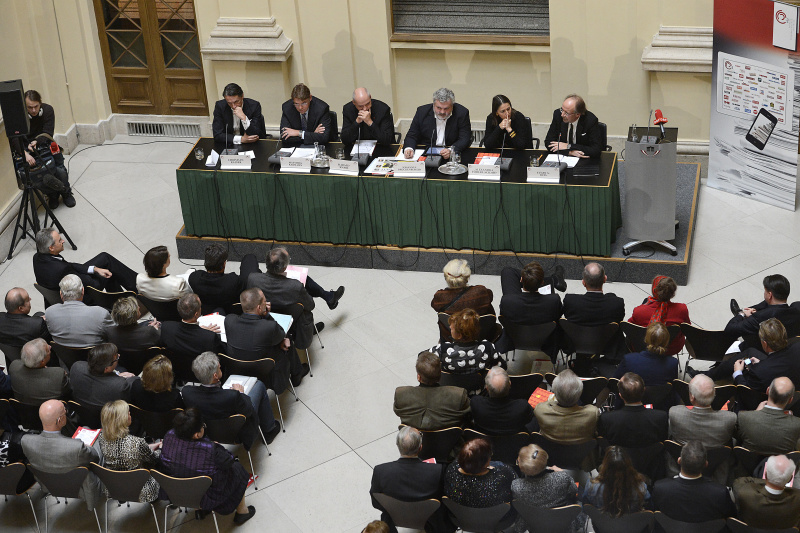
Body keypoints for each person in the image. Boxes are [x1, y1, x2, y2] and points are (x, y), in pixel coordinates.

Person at [158, 408, 256, 524]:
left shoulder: (168, 436)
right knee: (237, 468)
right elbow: (229, 460)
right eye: (203, 426)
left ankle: (199, 511)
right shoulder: (210, 449)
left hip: (176, 493)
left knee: (188, 472)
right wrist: (215, 446)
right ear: (196, 435)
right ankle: (242, 512)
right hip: (206, 496)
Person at [246, 246, 344, 350]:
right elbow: (311, 305)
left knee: (304, 280)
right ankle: (328, 299)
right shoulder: (295, 287)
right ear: (284, 268)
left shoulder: (252, 279)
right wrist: (304, 292)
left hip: (265, 320)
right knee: (304, 290)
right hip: (293, 322)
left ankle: (329, 297)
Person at [180, 352, 281, 447]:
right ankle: (269, 430)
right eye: (219, 367)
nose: (220, 366)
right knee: (259, 385)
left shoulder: (187, 392)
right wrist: (241, 393)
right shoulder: (232, 396)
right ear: (215, 376)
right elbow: (249, 410)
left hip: (210, 433)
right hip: (238, 433)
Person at [21, 400, 104, 510]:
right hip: (79, 487)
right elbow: (95, 457)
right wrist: (88, 447)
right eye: (65, 412)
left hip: (51, 486)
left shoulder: (26, 441)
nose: (67, 413)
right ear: (60, 420)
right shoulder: (76, 447)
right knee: (99, 443)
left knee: (86, 428)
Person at [370, 426, 453, 533]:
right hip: (429, 517)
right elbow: (444, 498)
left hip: (396, 516)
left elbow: (376, 502)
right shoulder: (437, 471)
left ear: (398, 446)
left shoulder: (380, 471)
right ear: (420, 447)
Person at [224, 287, 308, 392]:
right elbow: (281, 332)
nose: (267, 302)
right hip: (266, 373)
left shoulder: (229, 320)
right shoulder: (269, 327)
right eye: (265, 301)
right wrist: (267, 315)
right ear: (259, 308)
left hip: (239, 370)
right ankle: (297, 375)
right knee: (286, 339)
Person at [700, 317, 800, 392]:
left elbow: (746, 390)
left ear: (765, 343)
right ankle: (710, 375)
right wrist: (761, 362)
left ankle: (707, 375)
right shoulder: (797, 346)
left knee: (744, 362)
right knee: (751, 352)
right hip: (791, 381)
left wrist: (738, 372)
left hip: (767, 393)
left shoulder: (759, 372)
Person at [667, 374, 736, 483]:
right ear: (714, 395)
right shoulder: (729, 419)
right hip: (715, 464)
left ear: (692, 397)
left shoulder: (675, 413)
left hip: (685, 460)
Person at [12, 89, 75, 208]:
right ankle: (52, 195)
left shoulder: (48, 110)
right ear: (24, 107)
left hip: (44, 142)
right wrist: (25, 154)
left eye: (36, 106)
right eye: (30, 107)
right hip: (27, 150)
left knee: (59, 168)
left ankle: (66, 192)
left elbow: (48, 131)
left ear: (40, 103)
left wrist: (37, 141)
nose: (33, 110)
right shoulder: (18, 117)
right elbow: (14, 138)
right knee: (37, 176)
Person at [561, 262, 626, 369]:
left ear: (583, 282)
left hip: (576, 343)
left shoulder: (570, 301)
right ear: (605, 279)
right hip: (607, 345)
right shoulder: (616, 304)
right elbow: (619, 319)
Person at [33, 227, 138, 293]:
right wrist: (100, 272)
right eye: (60, 240)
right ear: (51, 248)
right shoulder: (61, 269)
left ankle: (126, 295)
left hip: (65, 288)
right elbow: (91, 284)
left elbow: (70, 265)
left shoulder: (37, 257)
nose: (63, 241)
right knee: (108, 272)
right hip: (81, 295)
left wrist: (95, 269)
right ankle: (138, 287)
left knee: (104, 258)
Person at [652, 441, 736, 522]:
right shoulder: (721, 493)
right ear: (706, 464)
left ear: (679, 461)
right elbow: (731, 518)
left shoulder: (660, 488)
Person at [443, 438, 517, 529]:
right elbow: (516, 490)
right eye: (490, 455)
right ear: (485, 464)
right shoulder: (503, 473)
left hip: (461, 520)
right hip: (499, 521)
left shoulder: (451, 470)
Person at [98, 400, 161, 502]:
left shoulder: (102, 437)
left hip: (114, 488)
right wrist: (161, 448)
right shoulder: (137, 443)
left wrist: (148, 447)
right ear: (123, 419)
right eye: (128, 413)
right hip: (141, 490)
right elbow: (154, 459)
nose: (130, 415)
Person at [498, 262, 563, 359]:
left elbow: (503, 316)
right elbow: (558, 317)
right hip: (545, 340)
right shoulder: (553, 300)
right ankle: (553, 279)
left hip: (516, 338)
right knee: (508, 271)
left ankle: (550, 278)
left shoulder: (507, 301)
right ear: (542, 283)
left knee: (507, 271)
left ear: (521, 280)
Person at [393, 350, 470, 430]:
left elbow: (398, 411)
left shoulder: (401, 394)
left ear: (419, 377)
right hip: (448, 437)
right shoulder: (458, 395)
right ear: (440, 375)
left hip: (413, 437)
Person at [512, 444, 579, 533]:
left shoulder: (517, 486)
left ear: (521, 467)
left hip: (534, 523)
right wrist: (563, 473)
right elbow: (574, 491)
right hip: (561, 522)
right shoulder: (562, 478)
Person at [159, 294, 225, 381]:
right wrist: (203, 331)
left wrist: (200, 329)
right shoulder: (209, 337)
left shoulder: (166, 327)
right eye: (200, 306)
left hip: (179, 371)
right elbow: (219, 356)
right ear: (196, 314)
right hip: (202, 374)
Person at [726, 274, 800, 351]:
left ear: (770, 295)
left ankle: (740, 315)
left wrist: (742, 314)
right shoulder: (797, 308)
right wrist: (755, 310)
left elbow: (729, 329)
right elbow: (767, 304)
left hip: (761, 348)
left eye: (765, 291)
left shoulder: (760, 317)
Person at [430, 308, 505, 379]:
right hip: (478, 386)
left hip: (450, 386)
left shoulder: (443, 350)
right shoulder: (487, 347)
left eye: (452, 328)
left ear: (459, 335)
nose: (449, 327)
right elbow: (502, 366)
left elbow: (425, 359)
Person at [598, 372, 668, 448]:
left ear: (620, 395)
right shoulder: (661, 417)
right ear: (644, 390)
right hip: (651, 455)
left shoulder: (607, 419)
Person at [431, 259, 497, 340]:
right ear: (467, 277)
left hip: (452, 338)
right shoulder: (481, 291)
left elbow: (434, 305)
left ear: (446, 278)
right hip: (481, 336)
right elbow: (490, 296)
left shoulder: (440, 296)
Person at [44, 274, 113, 348]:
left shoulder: (50, 312)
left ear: (61, 294)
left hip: (62, 355)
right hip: (94, 355)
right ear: (82, 291)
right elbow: (115, 335)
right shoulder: (101, 314)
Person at [188, 244, 259, 315]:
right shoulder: (233, 282)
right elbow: (244, 280)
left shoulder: (194, 279)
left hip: (206, 311)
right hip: (230, 312)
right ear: (224, 264)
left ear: (205, 263)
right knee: (250, 258)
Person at [733, 455, 800, 529]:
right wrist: (779, 481)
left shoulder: (743, 492)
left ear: (765, 474)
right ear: (790, 479)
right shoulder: (797, 498)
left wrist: (772, 480)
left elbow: (740, 481)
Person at [402, 88, 471, 160]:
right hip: (427, 153)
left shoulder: (462, 113)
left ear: (452, 106)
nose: (442, 112)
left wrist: (451, 150)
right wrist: (409, 148)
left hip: (450, 154)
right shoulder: (422, 112)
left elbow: (464, 138)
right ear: (433, 104)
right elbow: (412, 135)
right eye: (439, 108)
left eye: (446, 108)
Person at [736, 377, 800, 455]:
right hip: (780, 462)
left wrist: (755, 413)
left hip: (748, 461)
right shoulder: (797, 424)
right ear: (790, 400)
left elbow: (739, 438)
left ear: (768, 390)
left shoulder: (743, 417)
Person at [628, 275, 690, 355]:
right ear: (672, 293)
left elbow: (630, 328)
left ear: (654, 290)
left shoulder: (639, 311)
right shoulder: (682, 309)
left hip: (644, 347)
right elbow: (686, 329)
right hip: (671, 348)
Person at [534, 369, 599, 445]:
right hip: (581, 450)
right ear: (579, 394)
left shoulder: (540, 410)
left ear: (555, 394)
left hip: (550, 448)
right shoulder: (592, 413)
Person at [581, 446, 650, 516]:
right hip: (631, 523)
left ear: (605, 465)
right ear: (629, 465)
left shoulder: (591, 487)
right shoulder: (641, 488)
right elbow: (648, 511)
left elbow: (586, 509)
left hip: (600, 523)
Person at [470, 366, 536, 435]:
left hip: (485, 440)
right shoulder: (522, 406)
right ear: (510, 384)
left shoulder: (476, 403)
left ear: (487, 388)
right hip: (515, 440)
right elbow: (529, 419)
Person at [69, 343, 138, 406]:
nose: (119, 355)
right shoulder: (121, 386)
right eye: (116, 357)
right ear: (106, 369)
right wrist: (117, 378)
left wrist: (116, 376)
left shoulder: (76, 367)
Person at [613, 322, 679, 386]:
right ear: (667, 342)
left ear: (646, 339)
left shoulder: (628, 359)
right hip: (660, 394)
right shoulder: (673, 363)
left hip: (633, 393)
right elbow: (672, 387)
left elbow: (615, 382)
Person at [9, 338, 70, 404]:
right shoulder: (58, 376)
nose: (50, 346)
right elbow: (69, 391)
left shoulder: (14, 367)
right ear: (42, 361)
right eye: (47, 350)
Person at [544, 94, 603, 159]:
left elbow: (596, 150)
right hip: (563, 158)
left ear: (577, 114)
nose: (562, 115)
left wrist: (569, 146)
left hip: (583, 160)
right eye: (562, 110)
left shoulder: (590, 120)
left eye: (566, 113)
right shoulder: (557, 114)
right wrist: (569, 152)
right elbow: (548, 143)